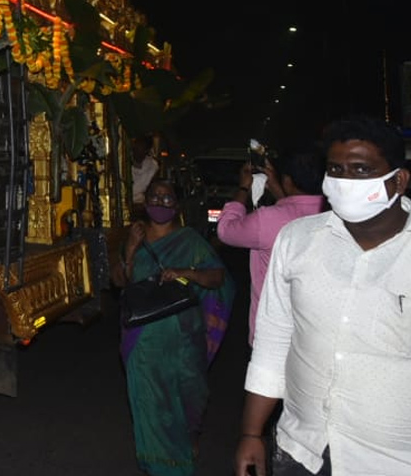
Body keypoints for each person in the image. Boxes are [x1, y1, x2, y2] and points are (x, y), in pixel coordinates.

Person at [234, 114, 410, 476]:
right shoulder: (297, 240)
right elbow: (274, 338)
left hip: (391, 460)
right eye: (336, 170)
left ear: (399, 180)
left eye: (361, 170)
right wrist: (252, 432)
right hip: (302, 449)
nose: (346, 181)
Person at [112, 176, 234, 476]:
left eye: (167, 198)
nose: (160, 203)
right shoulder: (135, 236)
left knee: (191, 394)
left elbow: (217, 278)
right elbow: (119, 282)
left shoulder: (190, 239)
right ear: (145, 201)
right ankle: (161, 466)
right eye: (155, 196)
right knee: (150, 402)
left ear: (176, 205)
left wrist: (185, 272)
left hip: (184, 339)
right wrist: (130, 249)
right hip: (143, 341)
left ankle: (189, 437)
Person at [215, 149, 325, 347]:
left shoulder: (268, 219)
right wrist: (278, 189)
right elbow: (296, 209)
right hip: (317, 335)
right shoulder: (334, 215)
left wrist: (243, 188)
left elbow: (226, 230)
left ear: (288, 180)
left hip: (274, 337)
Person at [131, 135, 160, 211]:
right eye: (138, 145)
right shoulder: (123, 164)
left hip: (142, 206)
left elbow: (152, 191)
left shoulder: (153, 166)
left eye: (144, 147)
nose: (140, 150)